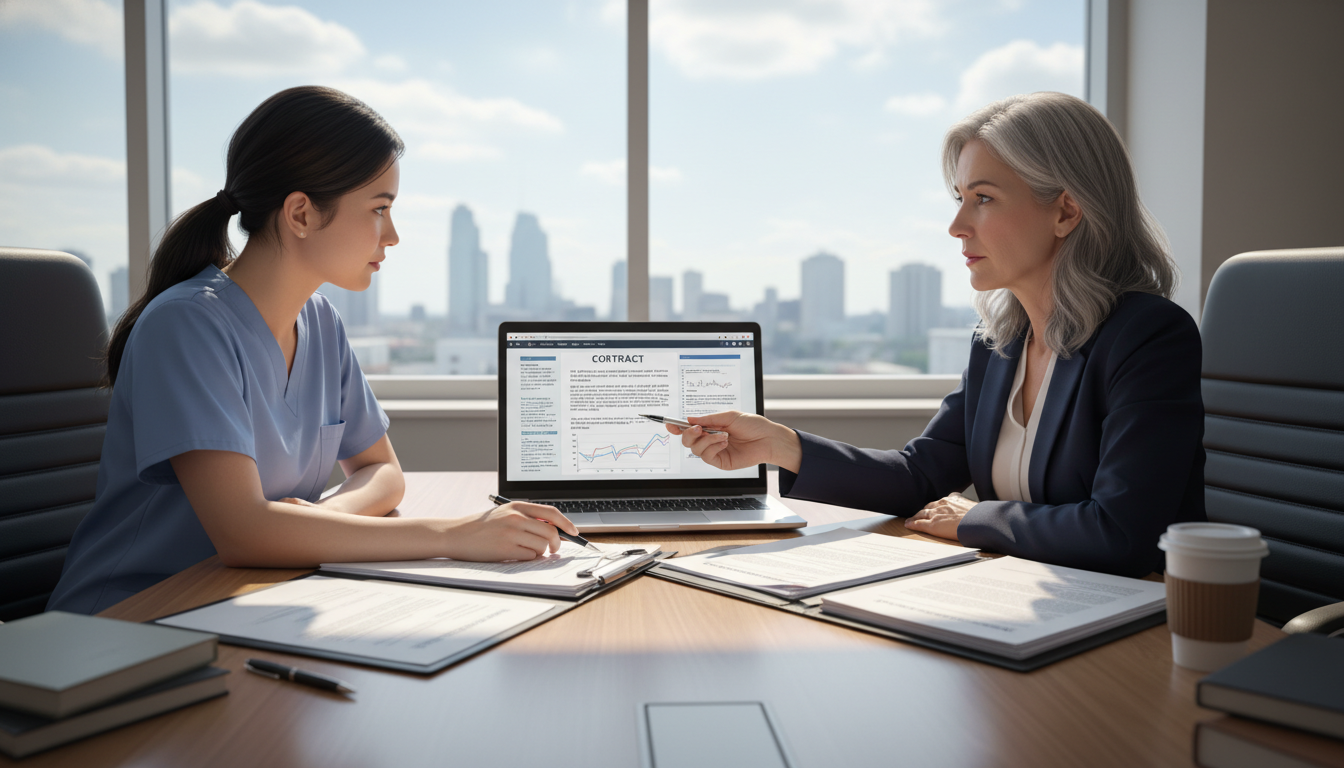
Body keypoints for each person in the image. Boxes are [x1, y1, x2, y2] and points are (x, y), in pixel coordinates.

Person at [49, 87, 577, 614]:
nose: (391, 236)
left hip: (248, 601)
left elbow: (384, 475)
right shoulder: (187, 325)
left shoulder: (321, 323)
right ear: (300, 213)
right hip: (131, 619)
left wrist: (321, 518)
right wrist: (450, 534)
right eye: (378, 209)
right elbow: (245, 533)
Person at [670, 92, 1204, 578]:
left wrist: (978, 519)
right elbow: (919, 478)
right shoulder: (999, 343)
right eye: (959, 198)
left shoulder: (1147, 337)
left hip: (1130, 623)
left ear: (1065, 211)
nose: (957, 226)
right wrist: (782, 446)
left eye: (985, 198)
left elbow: (1122, 533)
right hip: (1026, 598)